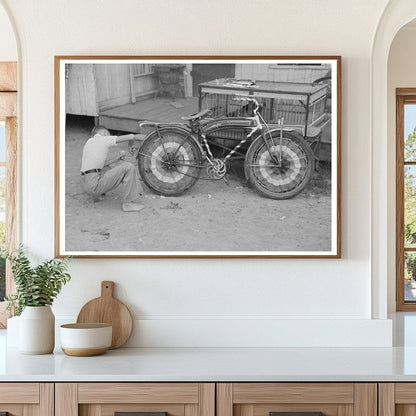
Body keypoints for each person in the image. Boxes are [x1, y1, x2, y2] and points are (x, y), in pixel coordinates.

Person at [80, 125, 144, 212]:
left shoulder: (89, 142)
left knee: (104, 167)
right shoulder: (103, 138)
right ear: (104, 133)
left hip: (85, 183)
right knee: (128, 167)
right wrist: (131, 144)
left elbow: (101, 164)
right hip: (94, 185)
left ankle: (97, 195)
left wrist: (117, 157)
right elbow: (131, 136)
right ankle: (128, 204)